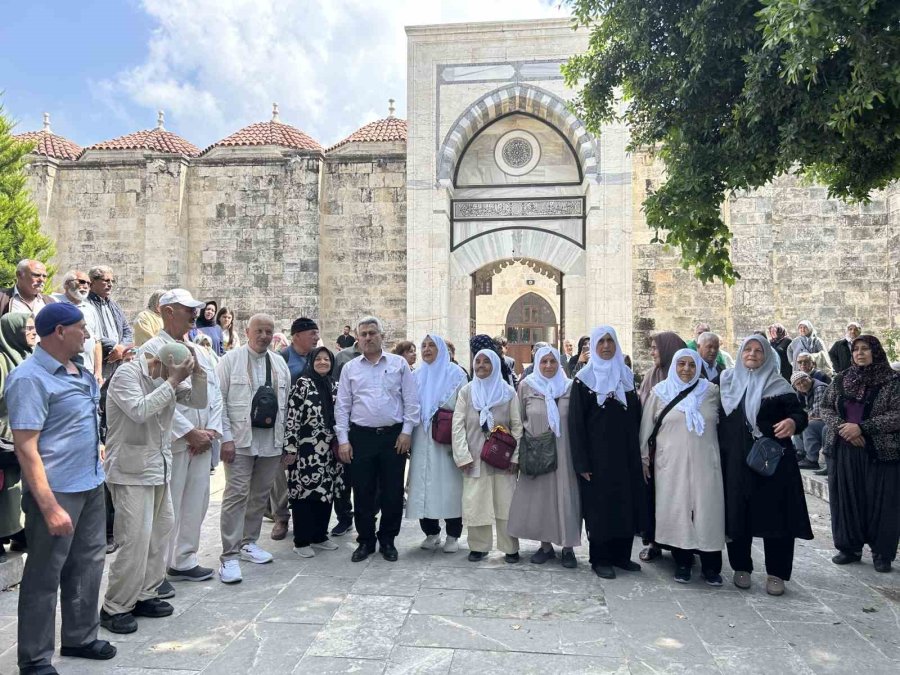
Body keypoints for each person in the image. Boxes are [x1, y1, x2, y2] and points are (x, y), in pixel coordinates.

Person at [5, 303, 115, 672]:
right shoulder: (29, 378)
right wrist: (49, 506)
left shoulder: (80, 372)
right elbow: (26, 446)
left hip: (90, 483)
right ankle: (35, 659)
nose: (87, 334)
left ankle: (80, 637)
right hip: (56, 491)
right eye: (81, 328)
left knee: (88, 565)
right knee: (43, 576)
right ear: (60, 332)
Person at [102, 303, 207, 634]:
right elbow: (140, 410)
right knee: (133, 540)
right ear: (162, 363)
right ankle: (115, 605)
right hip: (130, 471)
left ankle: (145, 594)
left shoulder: (168, 378)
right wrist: (173, 382)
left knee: (161, 533)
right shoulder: (126, 375)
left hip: (158, 468)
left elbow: (198, 401)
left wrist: (199, 374)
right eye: (173, 373)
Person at [140, 290, 223, 586]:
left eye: (194, 309)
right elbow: (155, 397)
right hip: (174, 443)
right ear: (167, 311)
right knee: (167, 508)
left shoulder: (200, 351)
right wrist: (190, 433)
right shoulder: (151, 349)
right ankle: (156, 570)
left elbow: (214, 393)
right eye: (186, 309)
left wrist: (211, 431)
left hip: (203, 442)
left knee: (196, 503)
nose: (193, 315)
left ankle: (184, 559)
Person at [719, 335, 813, 596]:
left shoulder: (778, 384)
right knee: (739, 512)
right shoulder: (726, 381)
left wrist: (793, 424)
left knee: (777, 517)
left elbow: (799, 414)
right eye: (747, 349)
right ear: (740, 353)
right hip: (737, 462)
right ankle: (741, 567)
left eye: (758, 350)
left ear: (767, 355)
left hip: (773, 463)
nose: (752, 354)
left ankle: (776, 573)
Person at [335, 316, 419, 563]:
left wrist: (406, 432)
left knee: (392, 493)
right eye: (364, 334)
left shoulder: (398, 364)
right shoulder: (350, 368)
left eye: (373, 333)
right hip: (360, 437)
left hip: (394, 438)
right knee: (362, 492)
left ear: (382, 336)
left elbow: (411, 401)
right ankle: (365, 541)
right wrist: (343, 440)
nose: (368, 337)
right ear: (357, 339)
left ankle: (388, 540)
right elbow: (342, 406)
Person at [216, 314, 291, 584]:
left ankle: (249, 542)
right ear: (247, 332)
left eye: (268, 331)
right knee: (236, 494)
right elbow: (219, 402)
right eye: (258, 330)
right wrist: (225, 438)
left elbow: (286, 406)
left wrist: (285, 444)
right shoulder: (229, 361)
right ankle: (229, 555)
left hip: (271, 441)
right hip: (239, 440)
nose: (263, 336)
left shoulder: (279, 363)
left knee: (260, 495)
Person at [639, 349, 725, 585]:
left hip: (706, 463)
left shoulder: (710, 392)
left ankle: (711, 566)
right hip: (671, 465)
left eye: (690, 364)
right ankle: (683, 562)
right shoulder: (661, 393)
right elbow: (646, 429)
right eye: (681, 364)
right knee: (677, 511)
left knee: (709, 513)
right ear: (674, 367)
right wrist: (644, 459)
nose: (686, 369)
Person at [569, 326, 647, 579]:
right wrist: (582, 463)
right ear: (593, 346)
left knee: (625, 503)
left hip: (626, 456)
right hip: (597, 458)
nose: (605, 346)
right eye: (600, 341)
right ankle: (600, 558)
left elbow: (636, 417)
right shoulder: (584, 380)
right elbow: (576, 424)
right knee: (600, 508)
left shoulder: (626, 376)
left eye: (609, 341)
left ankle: (621, 556)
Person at [821, 335, 899, 573]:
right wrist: (845, 429)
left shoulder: (893, 381)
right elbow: (825, 408)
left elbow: (897, 414)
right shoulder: (842, 379)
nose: (860, 353)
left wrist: (863, 428)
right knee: (846, 499)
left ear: (875, 351)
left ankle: (881, 553)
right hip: (844, 449)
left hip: (880, 452)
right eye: (856, 350)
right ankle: (849, 547)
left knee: (882, 503)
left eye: (865, 349)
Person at [507, 346, 580, 568]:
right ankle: (545, 545)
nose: (548, 366)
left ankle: (568, 547)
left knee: (567, 498)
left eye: (553, 361)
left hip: (565, 452)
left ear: (560, 364)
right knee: (541, 500)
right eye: (544, 362)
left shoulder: (570, 388)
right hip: (537, 452)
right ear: (537, 364)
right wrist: (517, 455)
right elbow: (518, 421)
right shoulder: (527, 386)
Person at [452, 348, 522, 562]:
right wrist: (463, 456)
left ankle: (510, 548)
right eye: (477, 361)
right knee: (477, 502)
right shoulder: (467, 392)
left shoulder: (507, 392)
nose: (481, 365)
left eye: (486, 362)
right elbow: (458, 426)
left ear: (495, 365)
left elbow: (517, 426)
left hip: (502, 460)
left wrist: (515, 458)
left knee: (506, 504)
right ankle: (478, 546)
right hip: (475, 458)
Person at [406, 334, 468, 553]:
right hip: (422, 438)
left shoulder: (456, 374)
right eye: (423, 345)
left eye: (432, 345)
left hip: (446, 438)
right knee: (423, 485)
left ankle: (453, 534)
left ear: (441, 349)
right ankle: (431, 532)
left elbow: (464, 407)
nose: (427, 349)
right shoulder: (416, 374)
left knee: (450, 486)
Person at [283, 346, 343, 558]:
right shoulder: (302, 384)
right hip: (305, 450)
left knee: (325, 494)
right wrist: (290, 447)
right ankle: (301, 540)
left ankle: (319, 536)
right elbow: (292, 417)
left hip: (328, 452)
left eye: (327, 359)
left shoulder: (335, 384)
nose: (323, 362)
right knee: (303, 495)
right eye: (318, 359)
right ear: (311, 361)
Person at [637, 330, 686, 562]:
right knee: (654, 496)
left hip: (681, 451)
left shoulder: (689, 375)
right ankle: (654, 542)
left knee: (680, 497)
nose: (652, 352)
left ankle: (682, 545)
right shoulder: (651, 376)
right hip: (655, 449)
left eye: (656, 348)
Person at [270, 317, 321, 540]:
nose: (317, 338)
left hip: (311, 429)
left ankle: (311, 516)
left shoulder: (317, 358)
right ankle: (281, 517)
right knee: (279, 472)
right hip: (285, 425)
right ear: (297, 335)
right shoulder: (281, 359)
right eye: (313, 334)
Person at [0, 313, 36, 561]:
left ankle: (20, 533)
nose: (34, 333)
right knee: (8, 488)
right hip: (6, 434)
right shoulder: (2, 361)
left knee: (23, 487)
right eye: (28, 328)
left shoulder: (30, 357)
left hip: (26, 432)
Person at [53, 271, 104, 382]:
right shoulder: (54, 302)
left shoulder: (90, 308)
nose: (85, 286)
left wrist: (98, 372)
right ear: (66, 284)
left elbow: (97, 341)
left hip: (88, 370)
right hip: (63, 369)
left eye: (88, 284)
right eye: (81, 281)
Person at [87, 266, 134, 380]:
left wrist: (121, 348)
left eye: (112, 281)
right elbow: (90, 332)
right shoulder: (86, 305)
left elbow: (127, 330)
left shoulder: (114, 305)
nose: (110, 284)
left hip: (118, 362)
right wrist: (114, 347)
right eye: (106, 280)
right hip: (98, 363)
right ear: (92, 282)